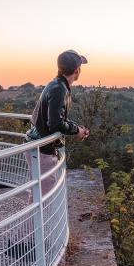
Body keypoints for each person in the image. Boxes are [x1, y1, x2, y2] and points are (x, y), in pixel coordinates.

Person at [24, 49, 90, 195]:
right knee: (44, 199)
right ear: (77, 70)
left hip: (37, 145)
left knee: (38, 197)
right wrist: (76, 130)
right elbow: (55, 124)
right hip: (42, 150)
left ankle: (35, 219)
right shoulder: (59, 89)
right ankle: (36, 219)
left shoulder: (56, 84)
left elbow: (57, 118)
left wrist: (76, 128)